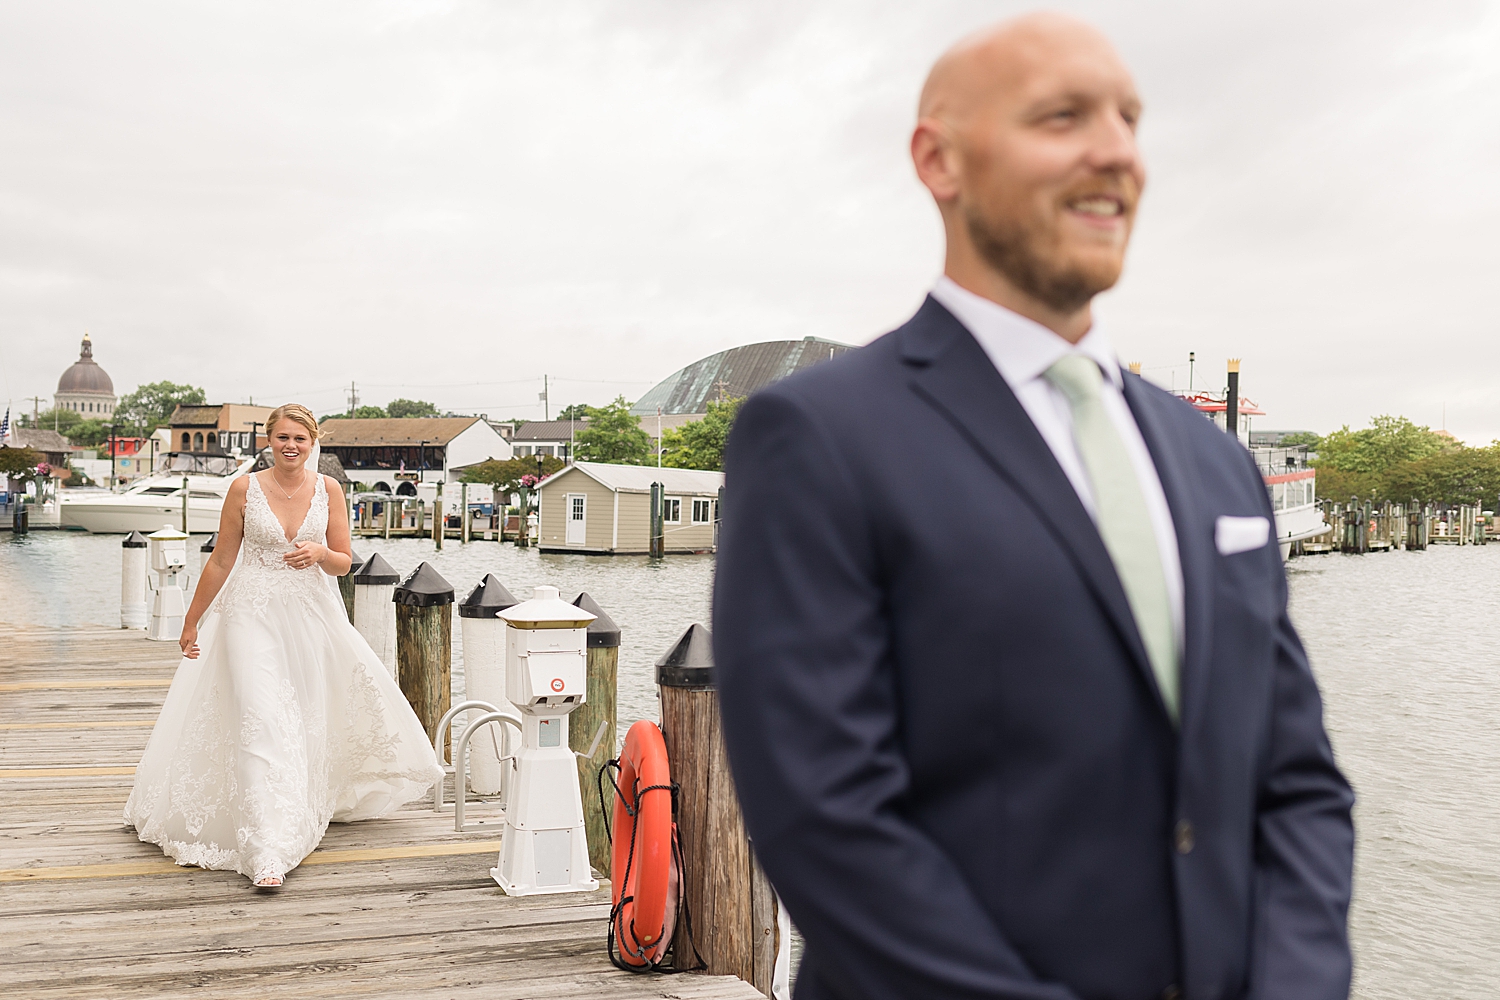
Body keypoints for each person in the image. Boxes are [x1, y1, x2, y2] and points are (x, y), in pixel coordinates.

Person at [714, 14, 1354, 1000]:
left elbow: (1297, 782)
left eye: (1130, 120)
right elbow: (826, 814)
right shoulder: (817, 439)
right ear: (939, 158)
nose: (1115, 151)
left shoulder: (1216, 465)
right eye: (1063, 117)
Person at [125, 403, 442, 888]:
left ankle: (297, 803)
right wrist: (192, 621)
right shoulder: (244, 489)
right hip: (249, 613)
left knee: (301, 718)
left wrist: (319, 552)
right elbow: (220, 560)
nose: (291, 446)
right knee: (260, 712)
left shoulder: (329, 490)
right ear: (268, 441)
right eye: (282, 438)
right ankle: (265, 846)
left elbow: (342, 562)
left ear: (313, 442)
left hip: (309, 618)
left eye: (300, 438)